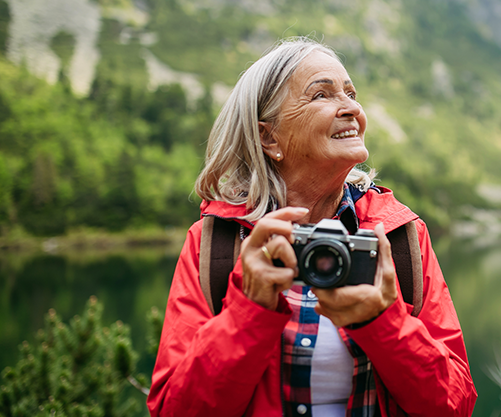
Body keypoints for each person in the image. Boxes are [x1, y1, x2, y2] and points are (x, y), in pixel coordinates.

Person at [147, 37, 477, 417]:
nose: (351, 107)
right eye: (322, 95)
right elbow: (175, 411)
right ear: (269, 137)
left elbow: (455, 406)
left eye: (351, 93)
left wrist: (383, 321)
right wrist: (249, 311)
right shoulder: (215, 245)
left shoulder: (399, 236)